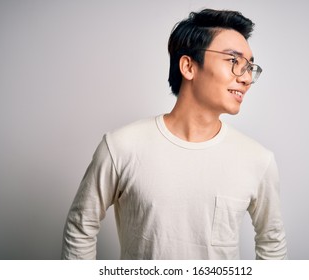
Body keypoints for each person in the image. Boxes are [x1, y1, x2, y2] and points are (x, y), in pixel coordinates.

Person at [61, 8, 287, 260]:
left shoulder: (257, 159)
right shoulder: (121, 147)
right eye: (233, 61)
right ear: (188, 66)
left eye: (249, 66)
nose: (246, 78)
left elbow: (272, 243)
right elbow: (81, 227)